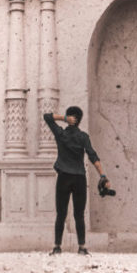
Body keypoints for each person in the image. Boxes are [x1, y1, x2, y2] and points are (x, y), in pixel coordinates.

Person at [43, 106, 105, 256]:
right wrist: (102, 175)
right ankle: (82, 247)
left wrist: (63, 118)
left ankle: (57, 247)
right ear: (80, 120)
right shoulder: (83, 137)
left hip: (63, 177)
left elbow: (47, 117)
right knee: (79, 214)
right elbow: (93, 156)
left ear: (69, 118)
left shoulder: (61, 134)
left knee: (61, 214)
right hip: (79, 178)